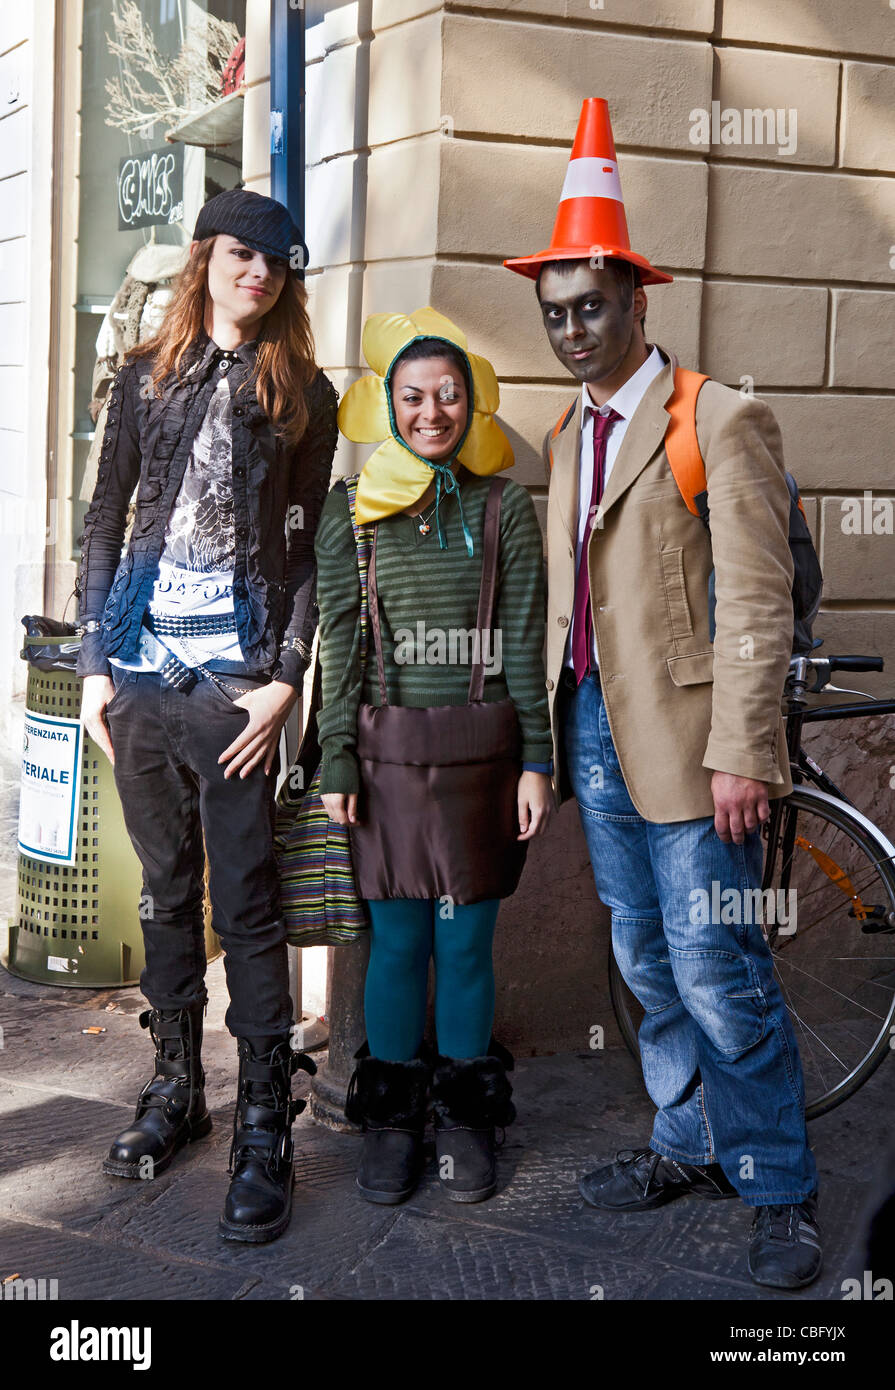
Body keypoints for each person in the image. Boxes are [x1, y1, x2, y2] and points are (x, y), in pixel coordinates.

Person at [503, 99, 821, 1289]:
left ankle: (777, 1180)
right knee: (641, 959)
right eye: (555, 314)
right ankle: (687, 1142)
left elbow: (757, 597)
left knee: (716, 966)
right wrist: (546, 738)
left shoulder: (717, 420)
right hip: (593, 726)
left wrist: (745, 748)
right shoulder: (563, 433)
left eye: (591, 307)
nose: (573, 329)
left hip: (693, 742)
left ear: (639, 303)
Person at [76, 190, 338, 1244]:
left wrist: (283, 680)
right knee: (166, 895)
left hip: (236, 686)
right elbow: (102, 521)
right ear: (205, 259)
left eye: (274, 262)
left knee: (252, 904)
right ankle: (177, 1088)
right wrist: (97, 666)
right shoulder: (144, 380)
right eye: (240, 254)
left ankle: (265, 1122)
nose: (257, 273)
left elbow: (313, 547)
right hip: (140, 675)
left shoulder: (304, 394)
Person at [315, 307, 553, 1205]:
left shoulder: (504, 508)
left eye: (447, 395)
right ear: (387, 405)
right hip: (382, 763)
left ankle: (464, 1119)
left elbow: (524, 643)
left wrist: (537, 761)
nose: (430, 412)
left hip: (482, 761)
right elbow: (339, 647)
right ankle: (389, 1122)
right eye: (411, 396)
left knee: (465, 949)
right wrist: (335, 758)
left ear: (470, 405)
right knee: (397, 945)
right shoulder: (352, 517)